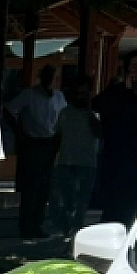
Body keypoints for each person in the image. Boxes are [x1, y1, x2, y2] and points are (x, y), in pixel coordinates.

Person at [94, 50, 137, 224]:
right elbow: (98, 105)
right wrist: (125, 89)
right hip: (119, 163)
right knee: (116, 209)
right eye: (135, 66)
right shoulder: (116, 93)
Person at [7, 64, 65, 239]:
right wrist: (19, 131)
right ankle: (26, 226)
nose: (51, 80)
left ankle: (38, 224)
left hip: (50, 143)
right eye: (48, 76)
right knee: (30, 187)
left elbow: (63, 117)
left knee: (44, 188)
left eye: (53, 76)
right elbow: (9, 109)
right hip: (33, 143)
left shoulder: (59, 97)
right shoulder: (29, 95)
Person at [47, 74, 99, 237]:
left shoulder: (94, 114)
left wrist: (89, 111)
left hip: (87, 163)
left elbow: (99, 133)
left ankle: (75, 231)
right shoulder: (64, 112)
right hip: (66, 162)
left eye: (84, 92)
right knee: (63, 200)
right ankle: (66, 227)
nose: (80, 95)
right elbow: (57, 135)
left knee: (82, 202)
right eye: (78, 92)